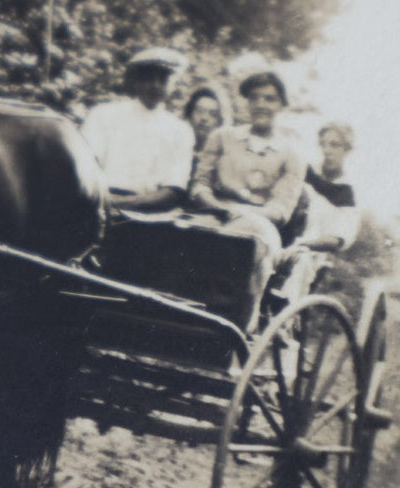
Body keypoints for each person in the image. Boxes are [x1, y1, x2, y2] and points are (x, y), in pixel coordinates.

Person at [189, 69, 306, 329]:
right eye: (255, 98)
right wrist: (215, 207)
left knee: (250, 245)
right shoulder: (223, 137)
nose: (261, 105)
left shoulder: (291, 154)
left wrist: (244, 215)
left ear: (282, 105)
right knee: (181, 236)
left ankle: (237, 331)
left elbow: (281, 209)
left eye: (270, 99)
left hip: (261, 225)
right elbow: (200, 184)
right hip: (213, 214)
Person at [80, 47, 195, 213]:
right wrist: (104, 201)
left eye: (163, 78)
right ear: (136, 81)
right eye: (148, 77)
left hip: (152, 210)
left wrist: (123, 203)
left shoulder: (181, 130)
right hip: (100, 205)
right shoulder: (104, 115)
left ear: (173, 84)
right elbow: (86, 170)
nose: (155, 85)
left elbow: (174, 189)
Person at [290, 120, 361, 253]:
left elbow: (337, 239)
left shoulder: (347, 192)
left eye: (334, 145)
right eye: (323, 144)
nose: (327, 151)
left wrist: (302, 246)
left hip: (313, 256)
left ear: (347, 149)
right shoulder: (305, 173)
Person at [183, 85, 230, 153]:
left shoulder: (223, 156)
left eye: (213, 114)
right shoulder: (176, 147)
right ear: (189, 114)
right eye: (200, 111)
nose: (204, 118)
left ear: (219, 122)